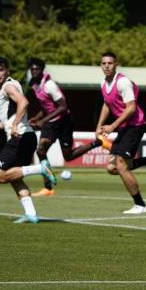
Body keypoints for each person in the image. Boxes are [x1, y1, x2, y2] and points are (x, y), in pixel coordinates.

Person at [0, 57, 57, 224]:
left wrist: (15, 125)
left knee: (0, 175)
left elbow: (24, 102)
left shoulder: (8, 86)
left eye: (0, 70)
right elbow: (8, 120)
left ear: (7, 70)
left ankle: (41, 168)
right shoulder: (13, 85)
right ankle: (31, 214)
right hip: (26, 135)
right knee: (14, 177)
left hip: (19, 136)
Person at [96, 52, 146, 214]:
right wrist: (99, 126)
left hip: (135, 125)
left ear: (116, 64)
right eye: (104, 63)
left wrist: (112, 126)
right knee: (111, 167)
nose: (107, 66)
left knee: (120, 165)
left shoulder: (123, 83)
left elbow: (131, 108)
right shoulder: (103, 84)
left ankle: (140, 205)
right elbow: (106, 105)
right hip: (124, 127)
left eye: (110, 63)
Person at [26, 57, 109, 196]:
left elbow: (63, 107)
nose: (34, 71)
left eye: (37, 69)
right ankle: (48, 187)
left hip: (64, 122)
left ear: (42, 70)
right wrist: (37, 117)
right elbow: (46, 105)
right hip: (51, 123)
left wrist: (43, 120)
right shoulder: (34, 84)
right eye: (32, 69)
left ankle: (98, 143)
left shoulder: (49, 85)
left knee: (68, 157)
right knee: (40, 150)